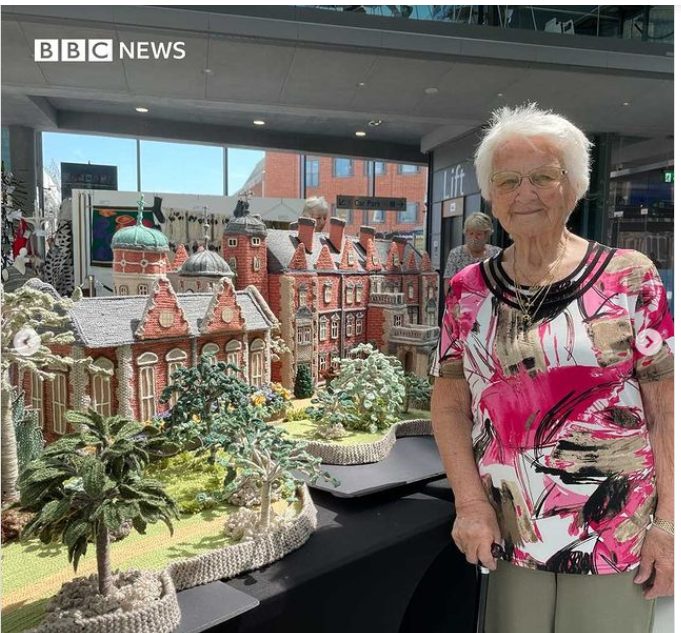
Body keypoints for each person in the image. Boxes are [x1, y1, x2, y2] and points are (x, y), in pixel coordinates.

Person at [431, 104, 674, 633]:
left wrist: (670, 525)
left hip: (614, 531)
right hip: (508, 528)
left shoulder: (630, 278)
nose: (525, 193)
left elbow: (665, 406)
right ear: (491, 195)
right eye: (508, 180)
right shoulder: (467, 291)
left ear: (574, 186)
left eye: (543, 176)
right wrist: (470, 505)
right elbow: (449, 405)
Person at [443, 212, 501, 288]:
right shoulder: (456, 253)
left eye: (478, 234)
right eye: (471, 233)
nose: (474, 238)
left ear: (486, 235)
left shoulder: (496, 253)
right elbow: (448, 282)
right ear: (466, 233)